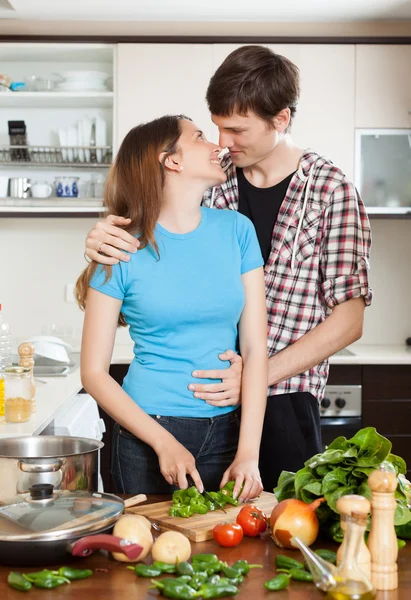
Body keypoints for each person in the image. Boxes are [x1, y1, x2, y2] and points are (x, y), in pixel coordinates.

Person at [84, 45, 372, 492]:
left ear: (281, 119)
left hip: (283, 401)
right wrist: (103, 237)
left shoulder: (330, 191)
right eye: (215, 128)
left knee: (279, 538)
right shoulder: (214, 187)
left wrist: (254, 377)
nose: (222, 143)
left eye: (236, 130)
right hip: (204, 408)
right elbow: (155, 223)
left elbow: (350, 320)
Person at [76, 114, 268, 501]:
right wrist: (162, 442)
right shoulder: (119, 247)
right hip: (147, 433)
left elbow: (255, 349)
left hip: (228, 430)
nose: (219, 146)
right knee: (149, 554)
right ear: (171, 160)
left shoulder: (237, 230)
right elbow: (93, 373)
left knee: (226, 555)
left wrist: (249, 452)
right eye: (199, 137)